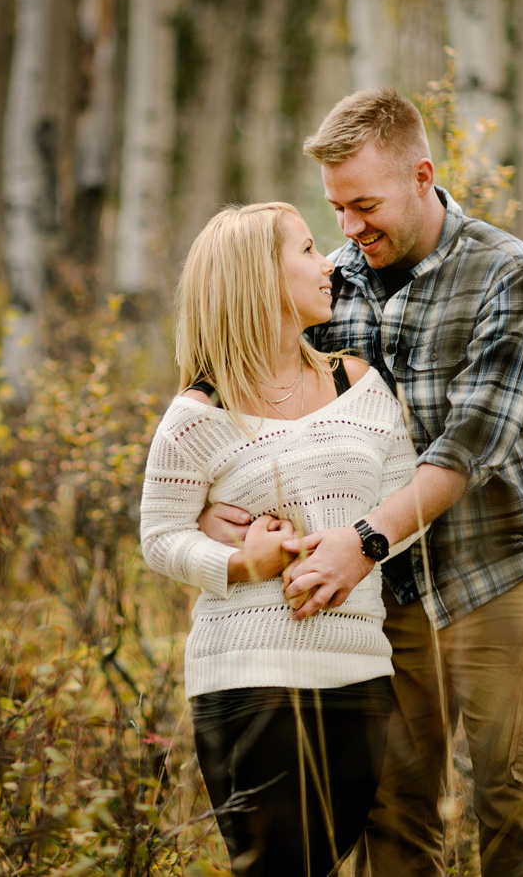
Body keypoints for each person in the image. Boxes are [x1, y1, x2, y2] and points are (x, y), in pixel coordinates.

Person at [199, 87, 523, 876]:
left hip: (503, 580)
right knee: (393, 828)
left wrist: (363, 540)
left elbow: (466, 447)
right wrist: (215, 510)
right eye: (335, 208)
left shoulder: (509, 276)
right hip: (385, 606)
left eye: (365, 204)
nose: (348, 228)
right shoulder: (327, 286)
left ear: (421, 176)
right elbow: (247, 398)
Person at [140, 201, 429, 876]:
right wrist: (243, 562)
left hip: (357, 673)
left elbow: (410, 505)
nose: (327, 263)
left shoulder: (358, 385)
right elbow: (159, 538)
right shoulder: (197, 415)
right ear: (257, 278)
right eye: (305, 250)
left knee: (325, 859)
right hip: (247, 678)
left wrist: (357, 543)